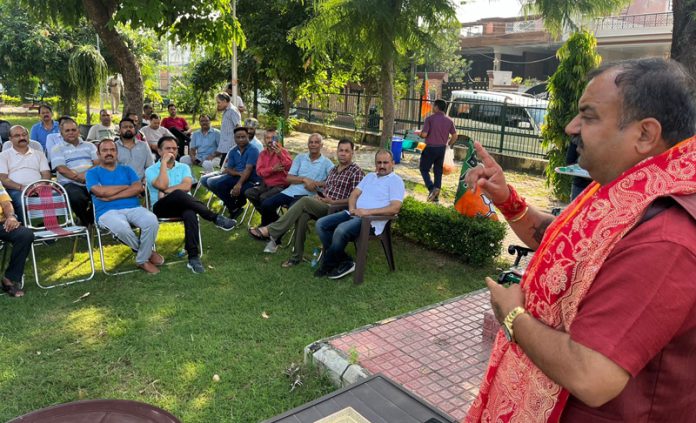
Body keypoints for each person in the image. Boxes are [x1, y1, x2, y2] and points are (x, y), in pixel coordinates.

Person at [464, 58, 696, 422]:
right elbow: (569, 248)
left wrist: (513, 316)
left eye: (588, 117)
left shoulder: (666, 237)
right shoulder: (628, 189)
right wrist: (507, 199)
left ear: (645, 134)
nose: (572, 127)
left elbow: (592, 376)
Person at [249, 138, 364, 263]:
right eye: (340, 150)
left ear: (352, 153)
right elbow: (327, 188)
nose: (343, 153)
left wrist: (332, 202)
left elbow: (357, 200)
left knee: (304, 200)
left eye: (347, 151)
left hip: (338, 210)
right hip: (324, 204)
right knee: (302, 215)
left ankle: (271, 231)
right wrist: (320, 197)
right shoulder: (334, 170)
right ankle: (296, 257)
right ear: (337, 151)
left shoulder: (356, 171)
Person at [145, 136, 237, 274]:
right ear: (159, 151)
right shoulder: (151, 170)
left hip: (183, 205)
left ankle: (193, 257)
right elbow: (162, 185)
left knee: (190, 213)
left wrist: (167, 191)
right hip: (161, 207)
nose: (172, 151)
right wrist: (163, 164)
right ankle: (215, 218)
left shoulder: (183, 167)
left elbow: (187, 186)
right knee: (179, 194)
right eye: (168, 148)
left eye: (175, 148)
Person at [315, 149, 404, 280]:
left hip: (370, 221)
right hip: (354, 214)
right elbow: (354, 194)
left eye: (385, 162)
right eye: (379, 162)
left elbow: (395, 208)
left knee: (341, 230)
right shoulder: (369, 177)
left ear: (393, 163)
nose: (382, 166)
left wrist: (367, 212)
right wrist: (351, 209)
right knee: (321, 224)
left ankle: (327, 265)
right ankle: (346, 261)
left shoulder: (396, 181)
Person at [86, 140, 162, 274]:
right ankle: (146, 255)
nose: (109, 153)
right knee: (122, 228)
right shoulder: (92, 173)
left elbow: (138, 188)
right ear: (98, 154)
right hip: (106, 212)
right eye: (105, 150)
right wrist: (126, 187)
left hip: (133, 208)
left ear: (117, 153)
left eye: (112, 150)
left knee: (151, 221)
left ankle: (141, 259)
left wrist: (111, 196)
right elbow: (100, 192)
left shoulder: (127, 169)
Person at [257, 133, 333, 227]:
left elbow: (333, 182)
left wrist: (316, 184)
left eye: (316, 142)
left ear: (321, 145)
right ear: (308, 144)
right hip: (289, 192)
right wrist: (304, 179)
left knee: (292, 210)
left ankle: (273, 236)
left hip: (307, 196)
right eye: (311, 142)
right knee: (266, 204)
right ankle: (268, 227)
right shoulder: (300, 158)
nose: (313, 144)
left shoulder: (327, 163)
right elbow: (288, 178)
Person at [204, 127, 260, 219]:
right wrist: (238, 174)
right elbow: (228, 169)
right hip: (237, 176)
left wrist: (238, 184)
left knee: (237, 189)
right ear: (234, 138)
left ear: (248, 137)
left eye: (243, 137)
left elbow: (248, 169)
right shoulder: (233, 151)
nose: (241, 139)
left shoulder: (253, 150)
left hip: (251, 179)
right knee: (215, 183)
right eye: (238, 137)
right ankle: (234, 207)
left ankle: (237, 203)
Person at [51, 118, 98, 226]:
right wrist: (79, 177)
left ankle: (88, 219)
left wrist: (87, 176)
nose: (71, 132)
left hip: (92, 180)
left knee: (105, 194)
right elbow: (61, 168)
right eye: (67, 131)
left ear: (78, 131)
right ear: (61, 133)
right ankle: (86, 223)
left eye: (73, 129)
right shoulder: (57, 148)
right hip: (70, 183)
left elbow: (98, 163)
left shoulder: (90, 146)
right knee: (76, 197)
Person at [0, 125, 51, 222]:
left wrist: (41, 185)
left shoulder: (39, 154)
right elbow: (3, 178)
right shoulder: (3, 156)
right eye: (17, 135)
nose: (22, 138)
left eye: (24, 135)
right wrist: (22, 188)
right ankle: (25, 230)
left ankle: (50, 228)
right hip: (16, 189)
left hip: (39, 187)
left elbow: (46, 173)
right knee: (20, 200)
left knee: (55, 197)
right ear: (10, 139)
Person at [243, 128, 292, 216]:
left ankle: (267, 220)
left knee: (263, 197)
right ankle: (271, 217)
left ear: (277, 139)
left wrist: (280, 155)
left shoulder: (283, 152)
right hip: (265, 184)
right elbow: (259, 172)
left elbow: (290, 167)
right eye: (267, 138)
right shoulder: (262, 154)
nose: (270, 140)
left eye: (272, 138)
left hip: (280, 186)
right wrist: (273, 169)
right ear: (264, 140)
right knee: (249, 193)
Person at [0, 180, 35, 298]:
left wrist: (11, 217)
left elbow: (6, 203)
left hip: (1, 223)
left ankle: (9, 278)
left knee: (25, 234)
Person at [418, 98, 457, 203]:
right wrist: (448, 144)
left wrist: (419, 133)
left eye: (433, 105)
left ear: (436, 107)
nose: (432, 107)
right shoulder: (449, 120)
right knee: (438, 171)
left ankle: (431, 188)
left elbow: (425, 134)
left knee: (424, 169)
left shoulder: (430, 119)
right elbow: (455, 135)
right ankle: (436, 197)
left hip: (430, 148)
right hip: (441, 149)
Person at [215, 92, 242, 164]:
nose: (218, 105)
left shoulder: (232, 111)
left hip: (231, 147)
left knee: (225, 169)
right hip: (226, 147)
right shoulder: (227, 111)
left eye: (218, 102)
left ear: (224, 101)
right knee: (222, 168)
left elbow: (239, 127)